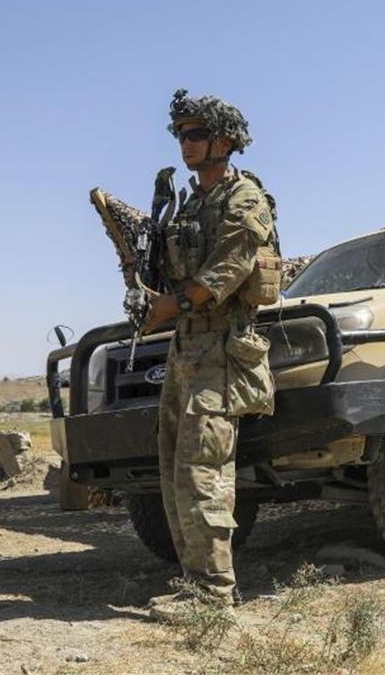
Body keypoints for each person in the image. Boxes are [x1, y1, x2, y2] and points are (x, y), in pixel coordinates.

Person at [141, 89, 279, 621]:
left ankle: (212, 594)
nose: (186, 144)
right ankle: (193, 581)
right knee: (175, 468)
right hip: (187, 346)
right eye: (180, 135)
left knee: (203, 469)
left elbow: (230, 268)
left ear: (225, 141)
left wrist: (171, 305)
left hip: (222, 346)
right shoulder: (191, 202)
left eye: (196, 134)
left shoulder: (243, 199)